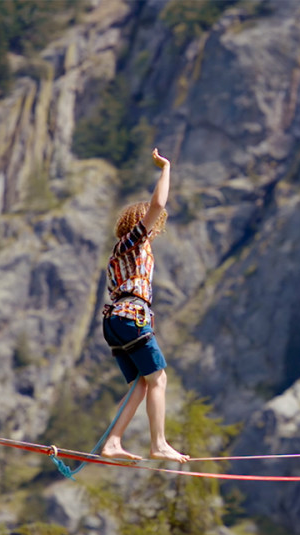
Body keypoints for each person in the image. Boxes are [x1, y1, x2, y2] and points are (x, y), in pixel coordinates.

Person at [100, 148, 189, 464]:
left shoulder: (118, 256)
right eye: (151, 227)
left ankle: (112, 441)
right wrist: (165, 168)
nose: (154, 231)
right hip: (130, 316)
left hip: (115, 320)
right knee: (159, 378)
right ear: (138, 226)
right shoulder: (131, 243)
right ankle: (159, 443)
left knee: (140, 383)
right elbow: (158, 204)